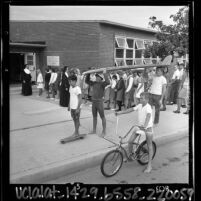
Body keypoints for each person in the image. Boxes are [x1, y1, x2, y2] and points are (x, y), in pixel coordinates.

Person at [116, 92, 154, 173]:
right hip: (140, 127)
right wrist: (120, 112)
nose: (140, 99)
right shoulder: (140, 105)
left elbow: (148, 116)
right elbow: (131, 109)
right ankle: (131, 156)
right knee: (130, 141)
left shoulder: (148, 107)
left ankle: (149, 166)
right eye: (140, 98)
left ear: (147, 99)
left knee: (149, 146)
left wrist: (145, 125)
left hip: (148, 129)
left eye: (142, 98)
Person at [85, 68, 110, 136]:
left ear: (100, 78)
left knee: (102, 116)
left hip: (99, 102)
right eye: (96, 76)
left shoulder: (102, 84)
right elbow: (87, 81)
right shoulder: (93, 83)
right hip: (94, 102)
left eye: (97, 77)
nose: (96, 77)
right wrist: (88, 73)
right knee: (94, 116)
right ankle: (94, 130)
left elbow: (108, 82)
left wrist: (105, 73)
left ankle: (104, 131)